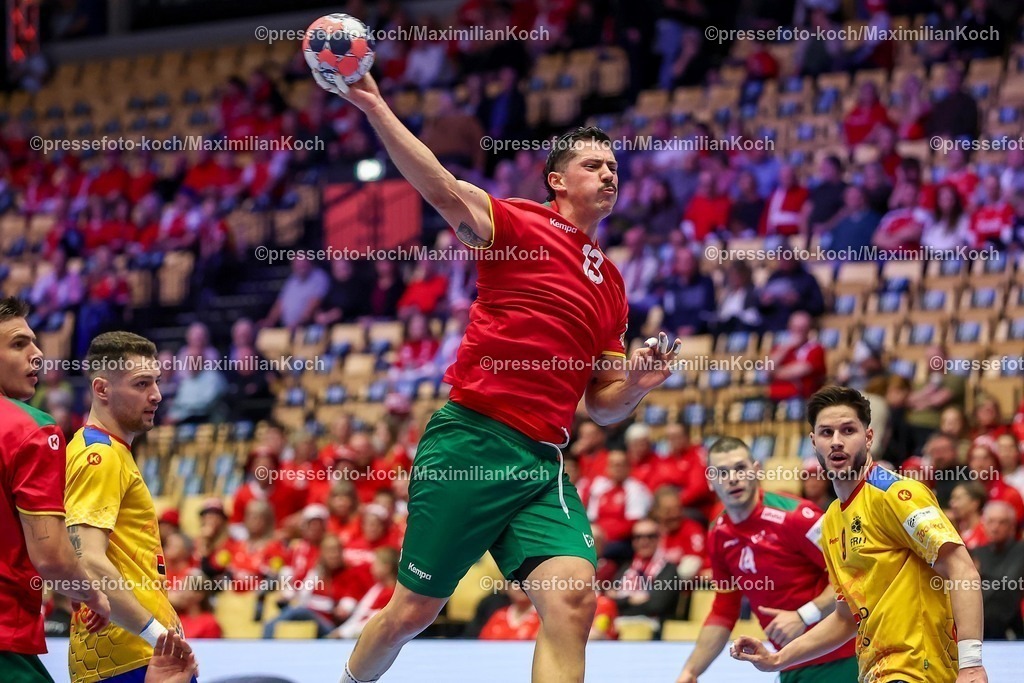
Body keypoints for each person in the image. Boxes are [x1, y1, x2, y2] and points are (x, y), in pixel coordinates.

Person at [311, 66, 683, 683]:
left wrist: (639, 383)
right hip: (472, 442)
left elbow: (605, 407)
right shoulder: (516, 225)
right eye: (594, 165)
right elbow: (440, 186)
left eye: (615, 167)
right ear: (557, 180)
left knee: (573, 599)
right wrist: (374, 104)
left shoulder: (614, 285)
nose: (610, 173)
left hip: (541, 462)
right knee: (413, 610)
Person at [732, 386, 989, 683]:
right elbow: (846, 617)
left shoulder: (895, 493)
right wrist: (778, 658)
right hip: (873, 673)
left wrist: (971, 664)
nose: (837, 442)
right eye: (826, 433)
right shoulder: (831, 521)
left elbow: (961, 569)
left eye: (848, 430)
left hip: (918, 669)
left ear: (868, 437)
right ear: (813, 442)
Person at [65, 332, 198, 683]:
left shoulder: (107, 450)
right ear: (102, 389)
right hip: (132, 656)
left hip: (127, 652)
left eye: (156, 382)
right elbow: (87, 558)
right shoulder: (100, 455)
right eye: (141, 384)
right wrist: (158, 637)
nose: (156, 394)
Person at [676, 437, 857, 683]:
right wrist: (691, 671)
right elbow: (724, 610)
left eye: (740, 468)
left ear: (756, 471)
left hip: (843, 657)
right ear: (710, 481)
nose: (732, 478)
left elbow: (852, 575)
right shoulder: (718, 533)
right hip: (789, 662)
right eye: (721, 472)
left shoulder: (797, 517)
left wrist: (805, 615)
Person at [0, 297, 111, 683]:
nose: (38, 354)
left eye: (33, 341)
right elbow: (51, 556)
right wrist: (91, 595)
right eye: (18, 344)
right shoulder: (30, 430)